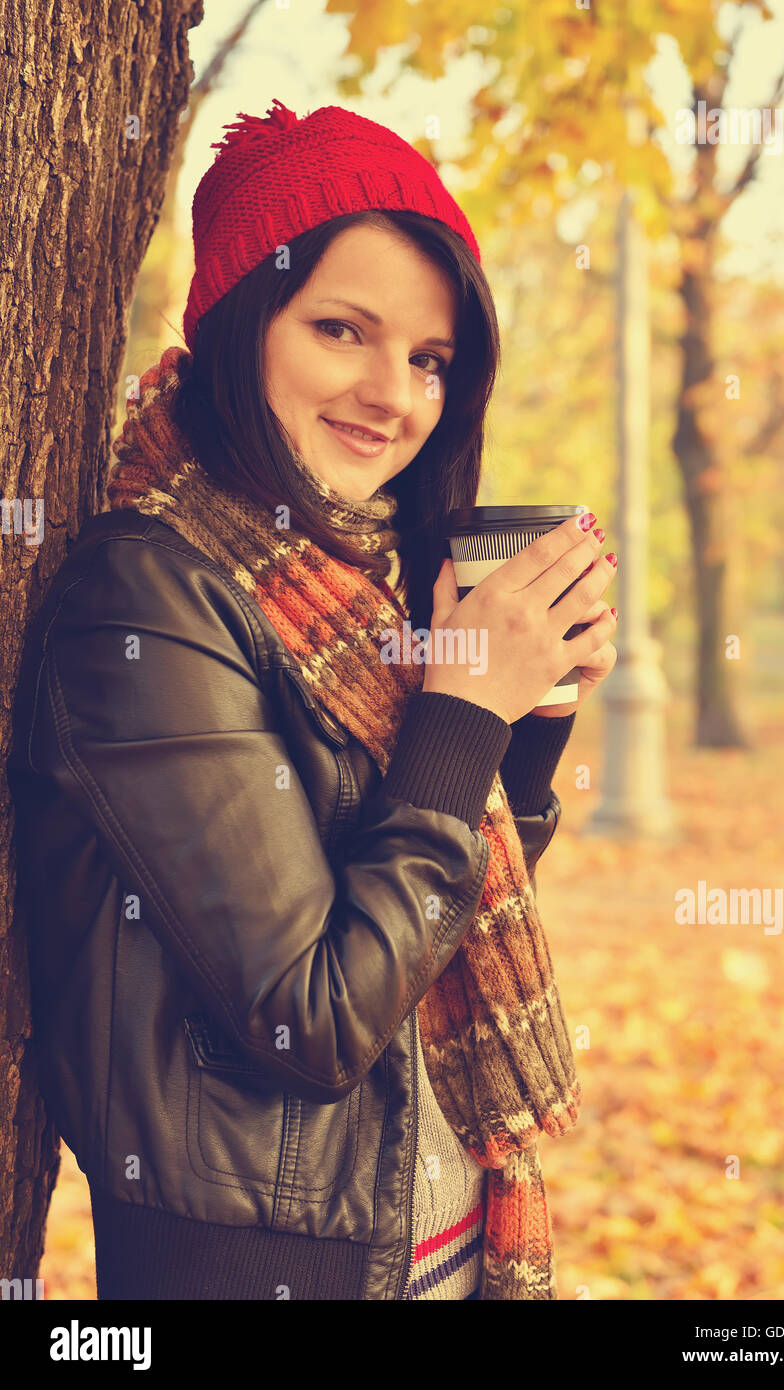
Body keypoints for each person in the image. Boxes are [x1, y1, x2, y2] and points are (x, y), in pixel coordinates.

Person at [8, 101, 618, 1301]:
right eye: (344, 330)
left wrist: (521, 730)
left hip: (438, 1252)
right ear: (245, 327)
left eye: (431, 359)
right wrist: (462, 718)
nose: (394, 395)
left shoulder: (356, 590)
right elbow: (319, 1015)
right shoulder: (148, 597)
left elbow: (425, 937)